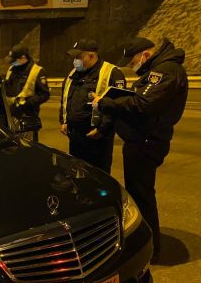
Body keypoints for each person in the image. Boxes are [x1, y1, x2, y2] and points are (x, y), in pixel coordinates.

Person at [93, 37, 188, 261]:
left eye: (133, 59)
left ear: (145, 54)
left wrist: (107, 103)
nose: (132, 64)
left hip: (146, 142)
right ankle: (146, 243)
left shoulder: (164, 71)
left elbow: (143, 104)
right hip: (142, 139)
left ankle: (150, 248)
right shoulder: (161, 69)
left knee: (142, 195)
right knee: (138, 193)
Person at [60, 39, 126, 173]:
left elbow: (117, 106)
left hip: (97, 137)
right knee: (77, 173)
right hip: (75, 135)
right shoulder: (73, 74)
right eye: (74, 57)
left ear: (91, 55)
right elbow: (66, 98)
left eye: (79, 57)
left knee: (98, 176)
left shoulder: (112, 73)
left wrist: (103, 129)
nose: (75, 61)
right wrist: (64, 121)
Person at [3, 44, 50, 141]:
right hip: (11, 115)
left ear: (23, 58)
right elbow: (7, 88)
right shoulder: (11, 69)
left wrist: (27, 103)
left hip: (27, 117)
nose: (12, 63)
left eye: (14, 60)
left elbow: (44, 94)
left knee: (28, 147)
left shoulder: (37, 71)